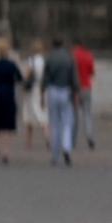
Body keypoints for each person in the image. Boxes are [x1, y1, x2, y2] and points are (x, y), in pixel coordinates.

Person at [41, 38, 79, 167]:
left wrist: (42, 93)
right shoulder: (69, 58)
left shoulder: (50, 58)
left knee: (55, 124)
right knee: (67, 122)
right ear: (63, 45)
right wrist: (76, 93)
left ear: (53, 45)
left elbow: (45, 78)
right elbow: (74, 78)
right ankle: (66, 147)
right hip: (66, 91)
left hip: (52, 90)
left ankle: (55, 154)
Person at [0, 37, 23, 165]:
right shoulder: (12, 65)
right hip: (9, 94)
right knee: (8, 125)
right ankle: (6, 152)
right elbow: (20, 78)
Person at [22, 39, 50, 150]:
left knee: (29, 116)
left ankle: (28, 143)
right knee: (43, 114)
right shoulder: (44, 61)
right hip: (42, 89)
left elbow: (27, 76)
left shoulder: (31, 61)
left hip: (32, 90)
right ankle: (47, 137)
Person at [72, 39, 96, 150]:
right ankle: (89, 136)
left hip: (75, 89)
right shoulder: (89, 55)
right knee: (87, 114)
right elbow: (92, 72)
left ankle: (73, 140)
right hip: (86, 87)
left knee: (75, 115)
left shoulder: (73, 55)